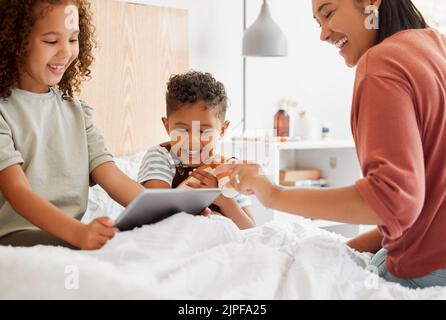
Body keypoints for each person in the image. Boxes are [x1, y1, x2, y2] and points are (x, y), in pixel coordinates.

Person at [218, 0, 446, 289]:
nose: (323, 34)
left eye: (328, 13)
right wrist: (340, 250)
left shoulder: (381, 62)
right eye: (318, 22)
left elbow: (394, 203)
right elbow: (426, 210)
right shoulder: (437, 46)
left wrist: (270, 192)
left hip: (422, 275)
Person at [0, 0, 144, 250]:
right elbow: (18, 192)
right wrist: (77, 233)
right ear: (14, 42)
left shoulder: (78, 113)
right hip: (16, 237)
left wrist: (174, 210)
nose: (65, 52)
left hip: (70, 235)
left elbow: (114, 179)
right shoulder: (4, 111)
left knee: (136, 245)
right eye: (51, 41)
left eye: (73, 39)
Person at [137, 71, 255, 230]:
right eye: (183, 131)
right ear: (167, 126)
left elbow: (250, 229)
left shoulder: (228, 169)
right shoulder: (161, 157)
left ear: (222, 130)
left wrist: (223, 199)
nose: (192, 141)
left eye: (204, 131)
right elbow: (155, 214)